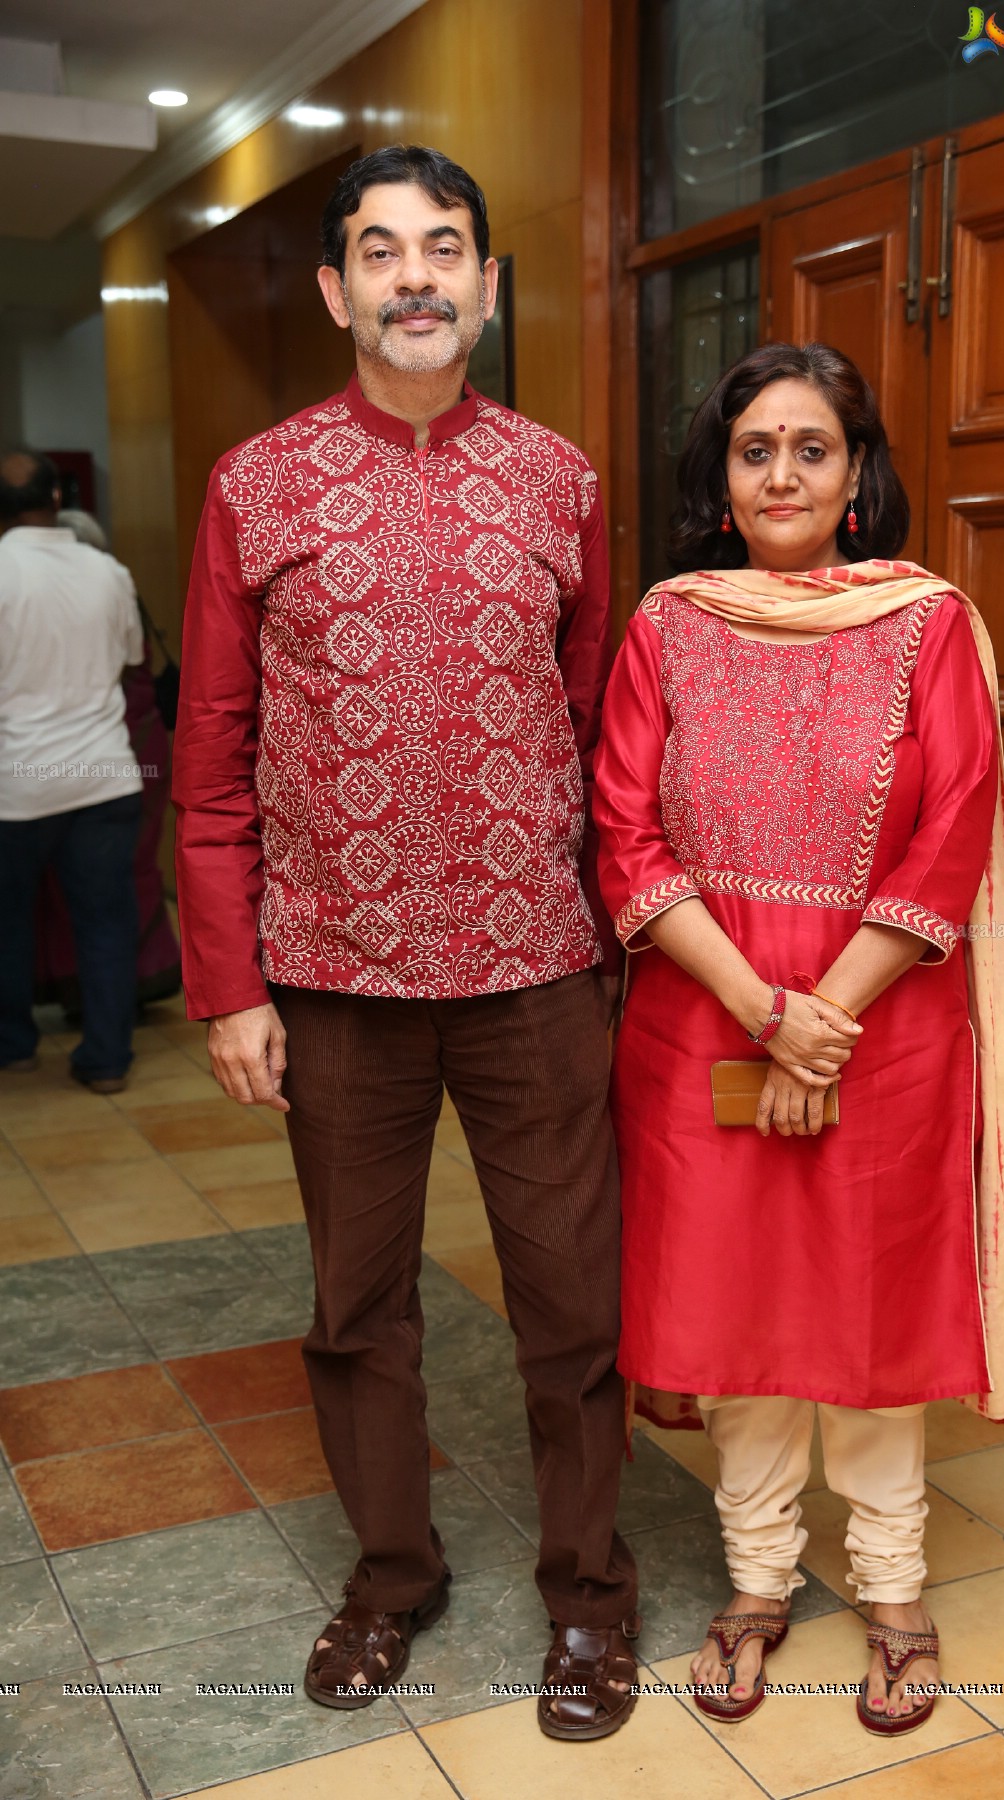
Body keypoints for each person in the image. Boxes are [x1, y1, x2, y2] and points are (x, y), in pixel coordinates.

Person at [172, 145, 639, 1739]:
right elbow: (214, 751)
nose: (417, 277)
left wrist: (607, 944)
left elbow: (593, 734)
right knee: (358, 1307)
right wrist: (228, 981)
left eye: (446, 248)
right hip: (338, 983)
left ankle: (590, 1593)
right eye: (383, 253)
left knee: (574, 1300)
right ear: (337, 290)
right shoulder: (259, 483)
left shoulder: (562, 480)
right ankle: (391, 1576)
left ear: (490, 284)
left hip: (533, 974)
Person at [593, 341, 1004, 1734]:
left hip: (885, 1027)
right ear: (720, 477)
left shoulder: (927, 621)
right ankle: (756, 1584)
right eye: (753, 448)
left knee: (867, 1308)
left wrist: (823, 1016)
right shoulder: (669, 622)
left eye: (812, 447)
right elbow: (623, 829)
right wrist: (760, 1012)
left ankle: (894, 1590)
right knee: (735, 1319)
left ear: (858, 476)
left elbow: (953, 824)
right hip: (704, 1020)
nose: (781, 472)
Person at [0, 450, 144, 1093]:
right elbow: (127, 659)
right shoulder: (108, 571)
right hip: (103, 772)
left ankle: (14, 1046)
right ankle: (107, 1058)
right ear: (57, 498)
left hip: (16, 779)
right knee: (107, 922)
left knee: (8, 922)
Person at [36, 510, 181, 1015]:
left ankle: (105, 987)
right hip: (127, 754)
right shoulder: (114, 589)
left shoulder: (92, 594)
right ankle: (117, 994)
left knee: (101, 879)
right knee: (119, 876)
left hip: (113, 754)